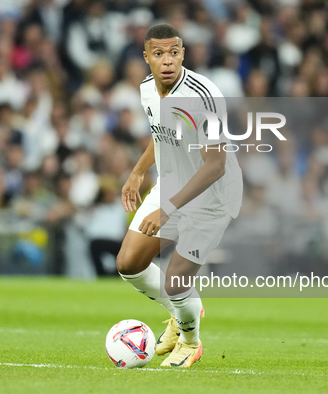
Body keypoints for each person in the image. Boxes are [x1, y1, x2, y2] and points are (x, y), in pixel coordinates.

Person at [116, 24, 242, 368]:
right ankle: (182, 313)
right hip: (173, 183)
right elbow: (162, 136)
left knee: (176, 282)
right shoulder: (146, 90)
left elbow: (215, 164)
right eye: (158, 54)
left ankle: (190, 340)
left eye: (174, 52)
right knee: (128, 264)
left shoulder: (205, 96)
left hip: (213, 193)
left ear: (183, 54)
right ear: (146, 58)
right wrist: (138, 171)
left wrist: (168, 209)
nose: (167, 60)